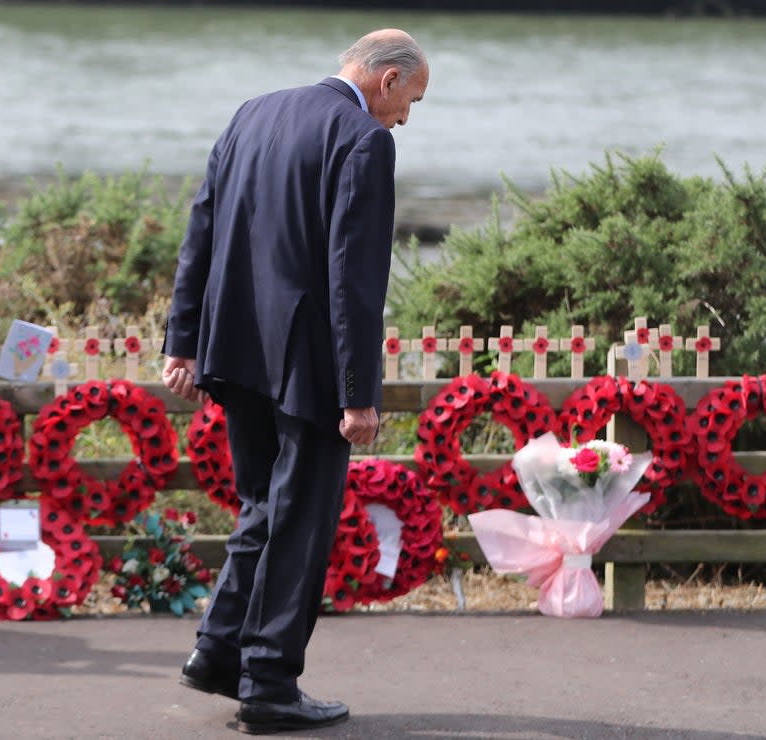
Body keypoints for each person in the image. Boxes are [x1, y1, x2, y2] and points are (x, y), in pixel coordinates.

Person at [161, 28, 428, 735]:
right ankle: (270, 683)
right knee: (300, 520)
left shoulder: (253, 111)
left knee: (261, 505)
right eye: (412, 101)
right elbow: (355, 279)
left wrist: (182, 340)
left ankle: (219, 653)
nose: (406, 118)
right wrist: (358, 392)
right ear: (388, 79)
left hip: (233, 346)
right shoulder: (365, 140)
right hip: (307, 362)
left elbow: (202, 230)